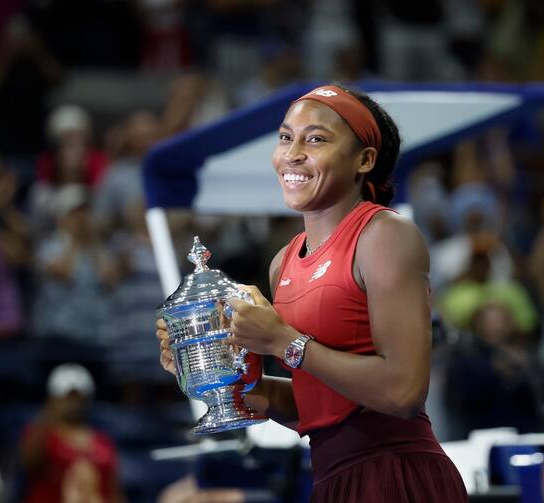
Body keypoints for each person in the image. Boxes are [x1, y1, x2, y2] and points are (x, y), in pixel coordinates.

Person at [157, 84, 468, 502]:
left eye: (316, 139)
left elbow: (403, 392)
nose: (293, 152)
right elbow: (317, 406)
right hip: (330, 481)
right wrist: (210, 372)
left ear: (364, 160)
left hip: (396, 475)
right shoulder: (283, 262)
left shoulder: (385, 235)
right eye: (286, 137)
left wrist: (283, 341)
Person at [19, 363, 124, 503]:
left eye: (78, 397)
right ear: (53, 398)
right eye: (67, 396)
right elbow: (27, 464)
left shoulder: (103, 442)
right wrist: (49, 413)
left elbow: (114, 491)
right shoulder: (41, 434)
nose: (73, 403)